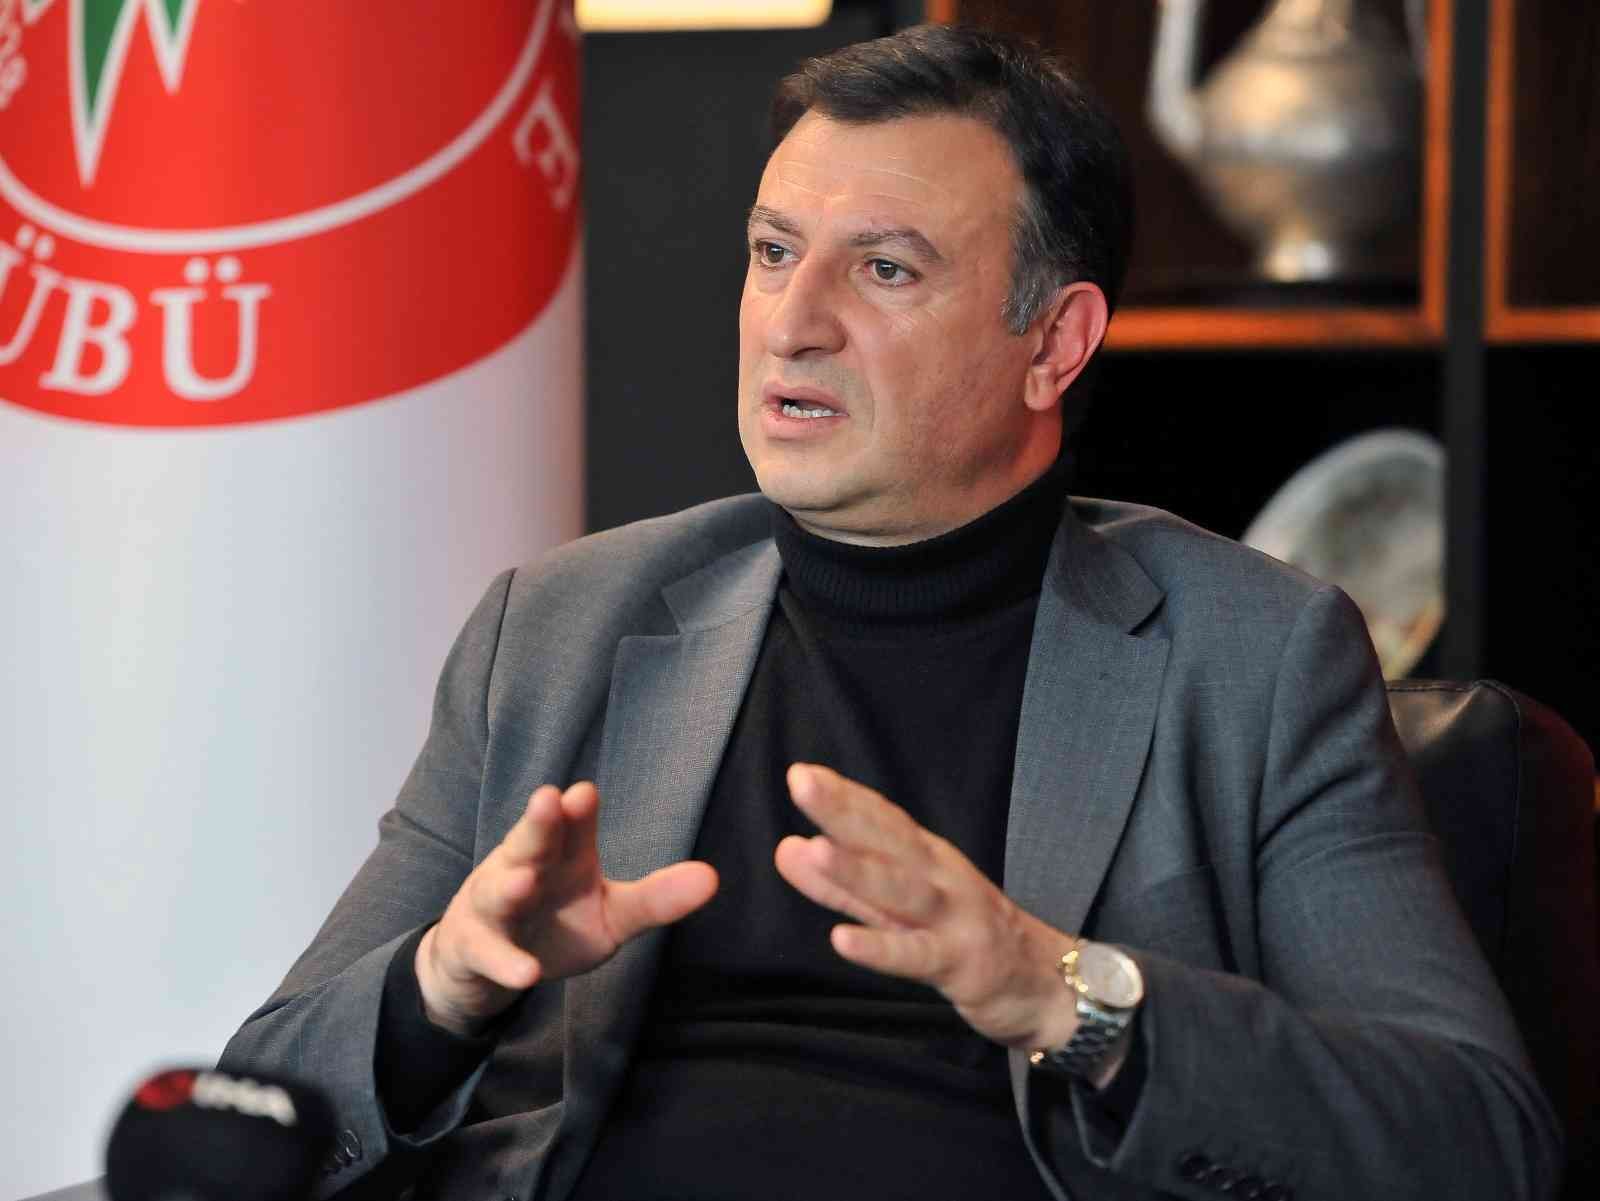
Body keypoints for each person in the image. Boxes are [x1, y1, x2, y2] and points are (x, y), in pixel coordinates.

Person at [221, 24, 1560, 1201]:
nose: (792, 322)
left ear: (1054, 343)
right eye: (773, 252)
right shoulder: (558, 627)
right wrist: (445, 985)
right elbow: (257, 1111)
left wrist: (1059, 992)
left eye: (885, 272)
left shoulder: (1253, 659)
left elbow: (1475, 1143)